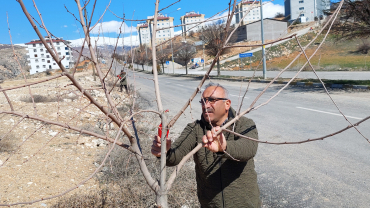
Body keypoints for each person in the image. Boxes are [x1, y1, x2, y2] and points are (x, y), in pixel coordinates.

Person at [151, 83, 261, 208]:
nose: (206, 105)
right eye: (203, 101)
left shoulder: (244, 124)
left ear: (227, 104)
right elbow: (175, 156)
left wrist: (223, 148)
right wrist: (164, 152)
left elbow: (248, 149)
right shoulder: (195, 129)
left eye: (212, 100)